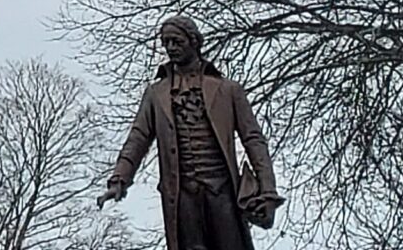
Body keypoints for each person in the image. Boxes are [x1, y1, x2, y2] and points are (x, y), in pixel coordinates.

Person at [101, 17, 282, 248]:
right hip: (182, 196)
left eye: (177, 41)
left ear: (194, 41)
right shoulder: (156, 94)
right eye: (166, 42)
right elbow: (138, 138)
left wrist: (267, 190)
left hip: (223, 192)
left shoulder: (228, 90)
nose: (171, 48)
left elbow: (254, 140)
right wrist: (119, 180)